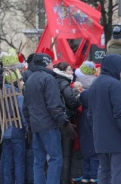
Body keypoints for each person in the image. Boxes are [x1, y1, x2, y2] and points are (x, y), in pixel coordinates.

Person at [23, 53, 75, 184]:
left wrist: (29, 125)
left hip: (35, 126)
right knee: (55, 159)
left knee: (38, 160)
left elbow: (25, 107)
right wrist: (63, 122)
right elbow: (54, 105)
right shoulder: (48, 78)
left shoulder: (30, 79)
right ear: (47, 63)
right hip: (49, 125)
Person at [87, 54, 121, 183]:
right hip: (116, 137)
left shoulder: (95, 83)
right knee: (117, 172)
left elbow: (90, 113)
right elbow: (119, 113)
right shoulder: (115, 85)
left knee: (104, 170)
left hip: (99, 137)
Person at [53, 62, 81, 184]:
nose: (71, 72)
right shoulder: (64, 82)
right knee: (66, 155)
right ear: (63, 71)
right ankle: (65, 180)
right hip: (66, 121)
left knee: (57, 155)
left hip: (55, 121)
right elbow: (72, 102)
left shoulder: (53, 80)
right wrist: (79, 98)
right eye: (69, 69)